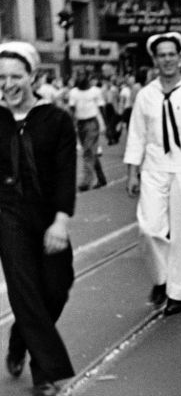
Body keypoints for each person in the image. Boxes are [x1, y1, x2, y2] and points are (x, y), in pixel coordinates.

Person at [0, 42, 76, 396]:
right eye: (1, 78)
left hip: (48, 213)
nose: (8, 84)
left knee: (56, 287)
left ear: (32, 76)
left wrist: (60, 221)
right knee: (25, 289)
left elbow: (65, 172)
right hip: (7, 214)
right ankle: (45, 372)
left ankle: (20, 337)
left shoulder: (56, 120)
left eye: (16, 76)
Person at [123, 32, 181, 316]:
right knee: (149, 228)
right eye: (161, 55)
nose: (167, 60)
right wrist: (132, 172)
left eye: (171, 54)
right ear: (155, 60)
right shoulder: (146, 95)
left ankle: (177, 292)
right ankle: (161, 279)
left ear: (180, 57)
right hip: (153, 168)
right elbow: (137, 135)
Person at [68, 72, 107, 191]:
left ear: (87, 78)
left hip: (92, 123)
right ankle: (101, 178)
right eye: (78, 76)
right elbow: (72, 109)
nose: (80, 79)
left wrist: (105, 123)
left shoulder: (95, 91)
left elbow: (101, 107)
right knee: (91, 152)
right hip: (80, 123)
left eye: (82, 76)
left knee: (88, 152)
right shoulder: (74, 92)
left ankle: (86, 181)